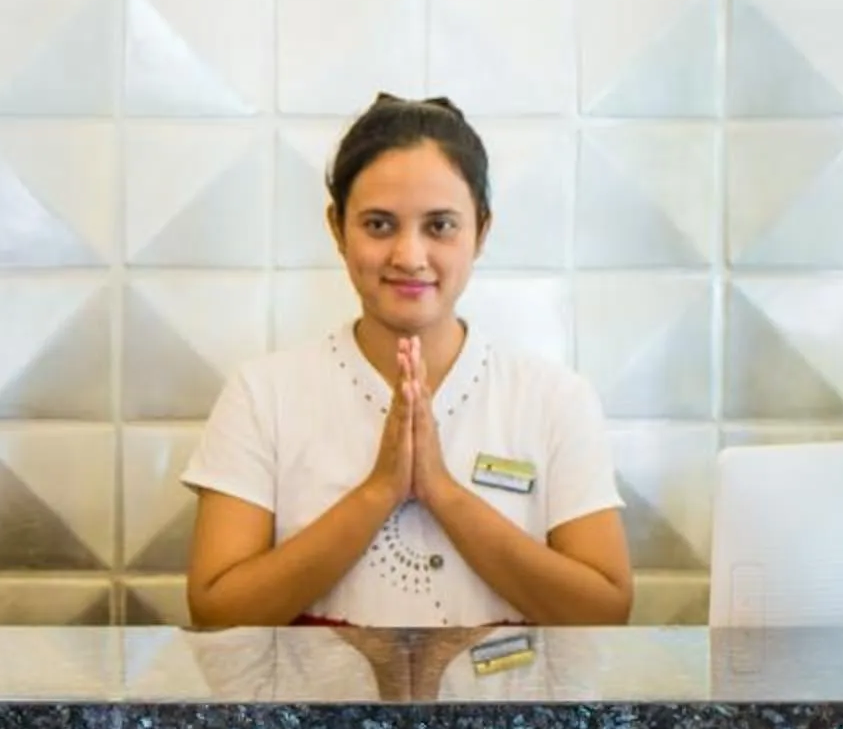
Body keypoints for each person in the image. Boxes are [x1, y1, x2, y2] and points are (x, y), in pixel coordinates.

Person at [183, 93, 632, 630]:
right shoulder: (263, 394)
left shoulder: (555, 399)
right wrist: (379, 491)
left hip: (502, 712)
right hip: (314, 715)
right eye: (378, 225)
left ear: (481, 231)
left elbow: (604, 612)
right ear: (337, 229)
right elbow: (217, 613)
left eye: (440, 226)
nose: (409, 256)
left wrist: (441, 490)